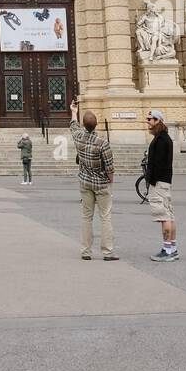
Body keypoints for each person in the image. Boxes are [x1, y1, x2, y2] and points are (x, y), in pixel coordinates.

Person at [69, 98, 118, 261]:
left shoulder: (78, 138)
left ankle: (86, 251)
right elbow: (110, 167)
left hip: (85, 182)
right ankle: (107, 252)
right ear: (96, 124)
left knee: (86, 217)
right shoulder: (103, 143)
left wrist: (74, 112)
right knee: (105, 217)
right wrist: (110, 182)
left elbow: (73, 126)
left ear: (84, 125)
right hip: (101, 184)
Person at [146, 109, 177, 261]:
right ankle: (172, 248)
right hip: (164, 181)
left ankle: (167, 250)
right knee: (169, 216)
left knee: (164, 217)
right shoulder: (164, 138)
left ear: (158, 120)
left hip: (159, 183)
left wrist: (151, 179)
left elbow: (157, 163)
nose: (147, 122)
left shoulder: (161, 140)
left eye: (150, 119)